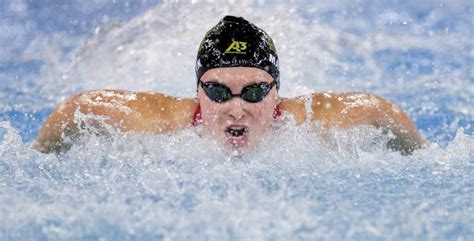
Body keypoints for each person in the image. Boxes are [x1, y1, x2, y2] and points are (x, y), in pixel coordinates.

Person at [33, 15, 426, 155]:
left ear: (276, 92)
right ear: (199, 93)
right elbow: (76, 108)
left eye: (254, 91)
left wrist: (419, 158)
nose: (236, 108)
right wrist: (39, 158)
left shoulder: (309, 120)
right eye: (219, 91)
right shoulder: (163, 121)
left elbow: (384, 112)